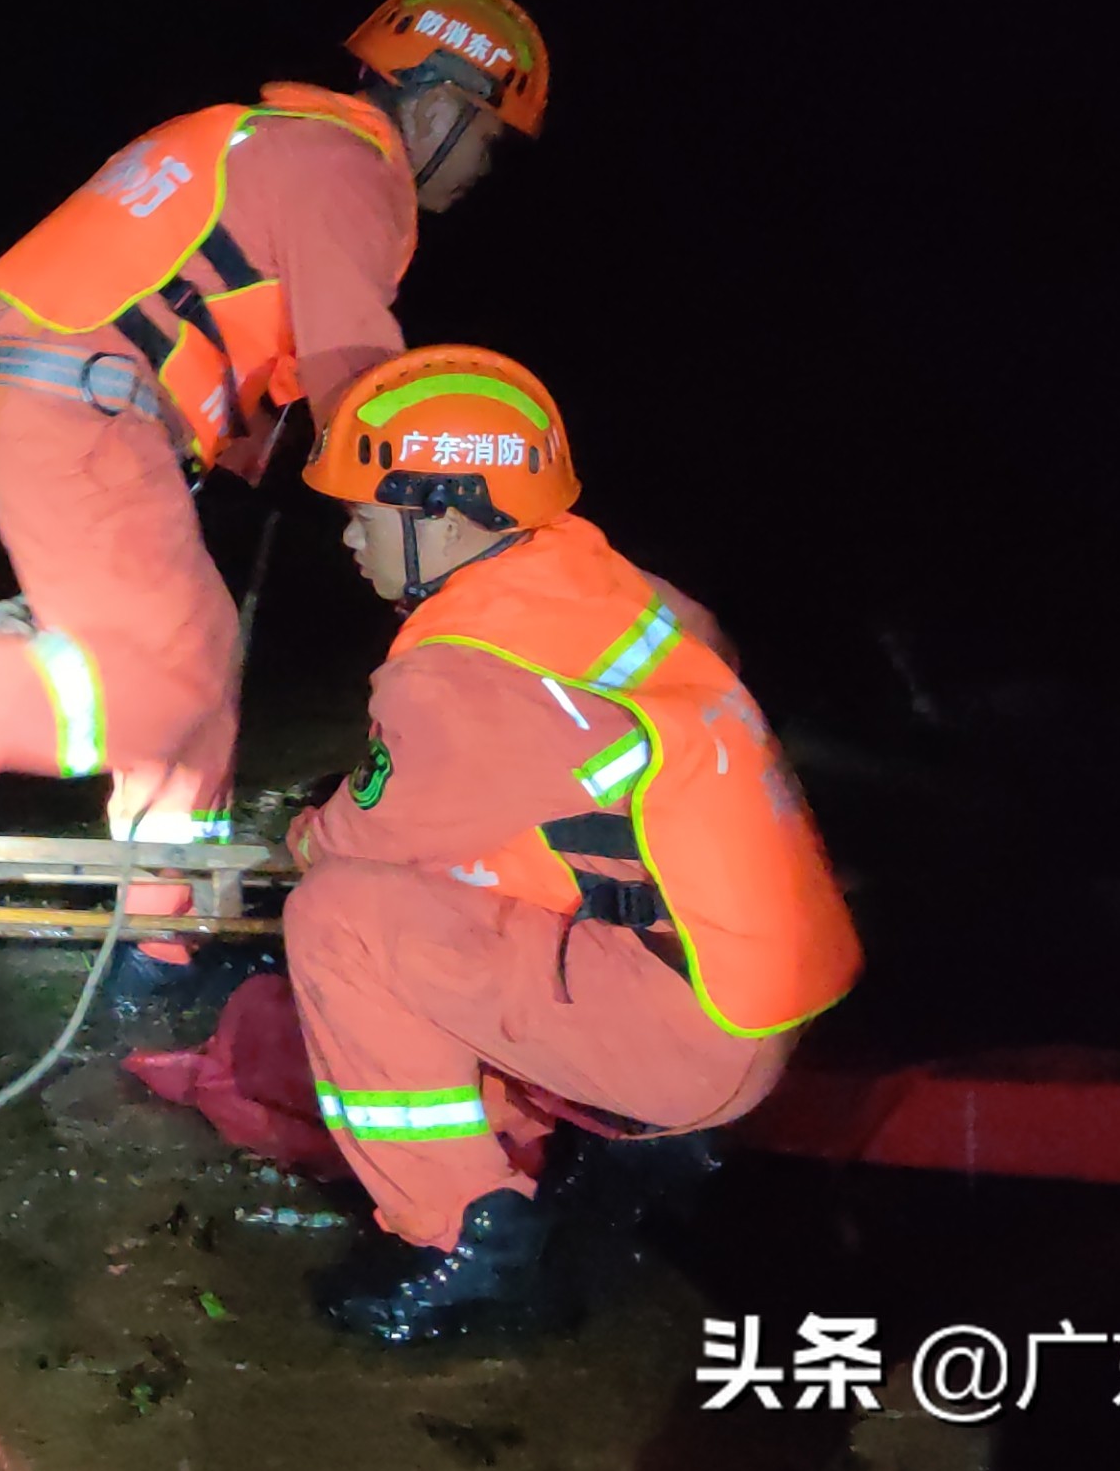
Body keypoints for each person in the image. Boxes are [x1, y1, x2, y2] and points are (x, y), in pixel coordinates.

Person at [0, 0, 546, 963]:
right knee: (161, 685)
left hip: (32, 387)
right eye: (487, 138)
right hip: (83, 405)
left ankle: (163, 941)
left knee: (200, 664)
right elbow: (365, 393)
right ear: (435, 105)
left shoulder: (263, 140)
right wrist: (456, 564)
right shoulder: (354, 174)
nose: (483, 167)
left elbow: (240, 349)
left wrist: (279, 463)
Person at [283, 345, 859, 1342]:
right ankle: (542, 1123)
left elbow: (353, 838)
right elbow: (705, 650)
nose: (347, 538)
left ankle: (462, 1245)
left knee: (340, 918)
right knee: (473, 866)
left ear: (447, 514)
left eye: (363, 513)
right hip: (749, 987)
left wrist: (300, 829)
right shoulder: (589, 575)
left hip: (687, 1039)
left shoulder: (458, 674)